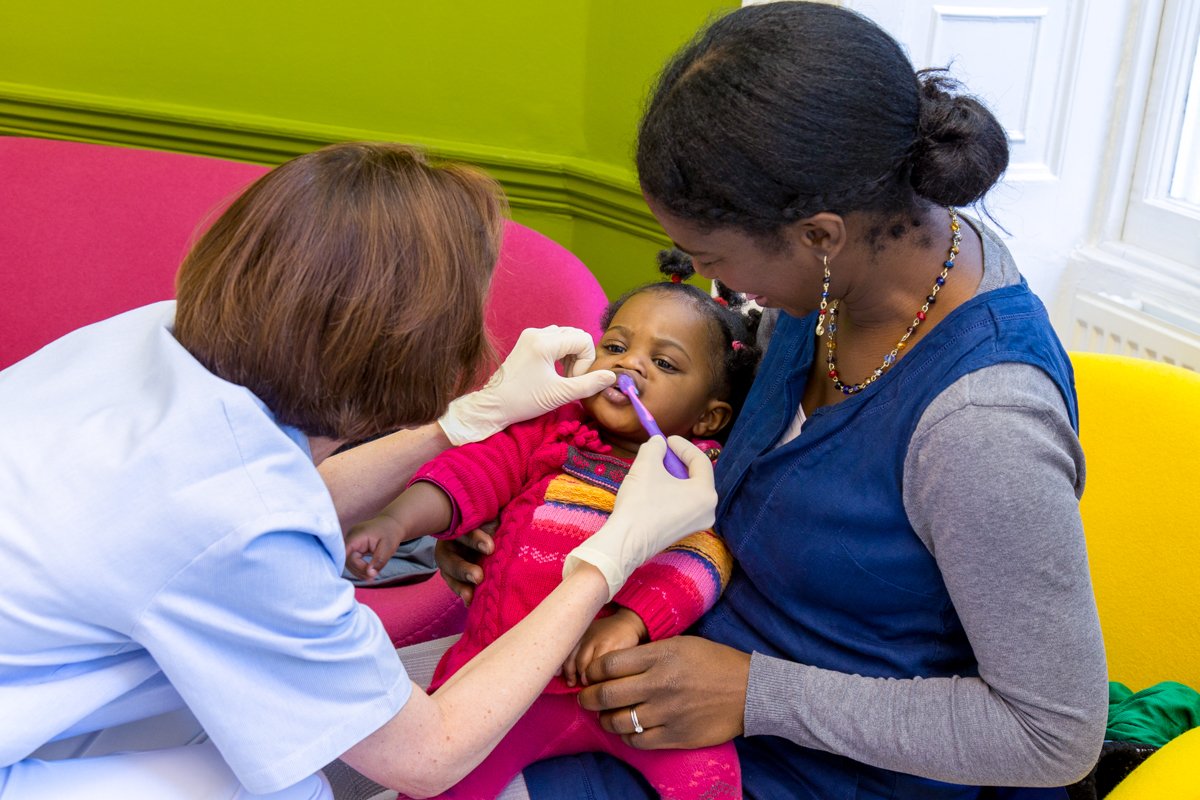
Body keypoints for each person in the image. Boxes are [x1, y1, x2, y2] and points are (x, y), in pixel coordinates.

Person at [436, 4, 1109, 799]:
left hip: (818, 768)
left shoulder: (982, 427)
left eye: (715, 260)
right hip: (658, 669)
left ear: (820, 236)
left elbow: (1054, 736)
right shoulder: (842, 282)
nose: (721, 291)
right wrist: (521, 521)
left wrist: (756, 694)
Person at [0, 141, 720, 800]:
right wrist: (609, 557)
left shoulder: (155, 331)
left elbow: (266, 504)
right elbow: (427, 754)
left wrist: (458, 425)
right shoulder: (234, 525)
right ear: (408, 348)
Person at [345, 253, 762, 799]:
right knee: (434, 784)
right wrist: (400, 519)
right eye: (616, 346)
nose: (630, 365)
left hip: (624, 691)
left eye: (664, 364)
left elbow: (703, 558)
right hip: (496, 682)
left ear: (709, 417)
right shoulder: (549, 433)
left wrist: (632, 622)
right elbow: (473, 473)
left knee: (712, 779)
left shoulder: (693, 479)